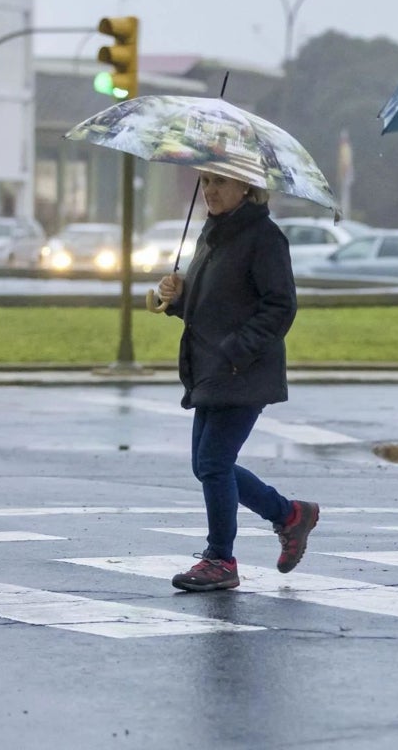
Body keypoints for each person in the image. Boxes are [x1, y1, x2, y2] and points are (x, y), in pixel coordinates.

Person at [155, 170, 320, 592]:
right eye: (206, 181)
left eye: (220, 183)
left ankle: (220, 560)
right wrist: (177, 298)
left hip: (242, 371)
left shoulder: (264, 238)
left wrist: (237, 350)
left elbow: (280, 306)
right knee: (207, 465)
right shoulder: (212, 234)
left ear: (246, 187)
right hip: (209, 367)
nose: (209, 190)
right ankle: (289, 516)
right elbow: (213, 303)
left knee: (212, 463)